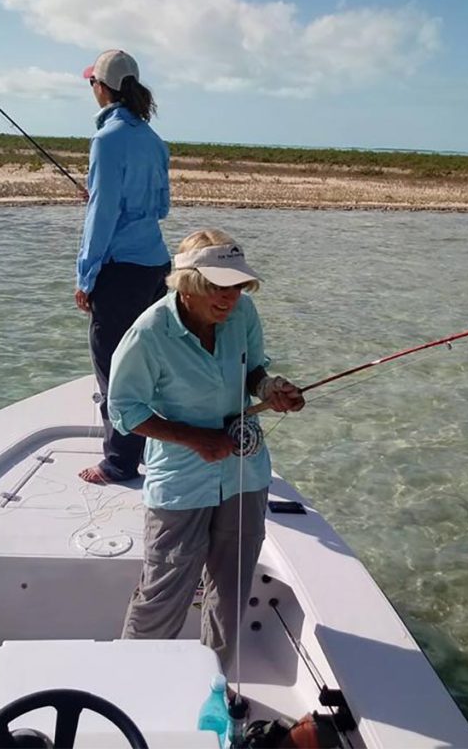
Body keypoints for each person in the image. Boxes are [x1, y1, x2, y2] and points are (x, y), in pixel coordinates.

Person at [106, 229, 305, 671]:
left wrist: (271, 389)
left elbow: (254, 370)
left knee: (232, 591)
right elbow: (124, 410)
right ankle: (131, 686)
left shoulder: (244, 313)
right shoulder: (148, 334)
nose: (230, 297)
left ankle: (212, 685)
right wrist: (195, 438)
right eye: (218, 285)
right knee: (163, 591)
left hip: (244, 475)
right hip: (181, 481)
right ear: (188, 283)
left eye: (237, 285)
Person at [75, 49, 171, 485]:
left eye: (91, 82)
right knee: (146, 363)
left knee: (113, 367)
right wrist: (106, 198)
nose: (91, 89)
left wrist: (85, 276)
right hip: (157, 265)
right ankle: (151, 445)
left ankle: (118, 462)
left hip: (121, 270)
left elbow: (102, 217)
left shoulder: (106, 140)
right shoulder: (153, 140)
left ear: (102, 87)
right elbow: (162, 207)